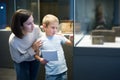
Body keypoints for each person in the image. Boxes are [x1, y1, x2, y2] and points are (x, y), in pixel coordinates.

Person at [34, 14, 73, 80]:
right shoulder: (40, 40)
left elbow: (71, 44)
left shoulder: (59, 36)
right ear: (44, 27)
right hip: (51, 74)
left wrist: (72, 39)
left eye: (56, 28)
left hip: (63, 71)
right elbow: (35, 55)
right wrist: (40, 59)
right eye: (52, 27)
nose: (55, 30)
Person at [9, 9, 43, 80]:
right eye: (29, 23)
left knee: (33, 78)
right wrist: (32, 49)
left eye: (33, 21)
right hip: (22, 62)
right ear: (20, 26)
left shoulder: (36, 28)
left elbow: (41, 40)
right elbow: (18, 60)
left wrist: (38, 51)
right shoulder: (13, 41)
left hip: (35, 59)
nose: (33, 26)